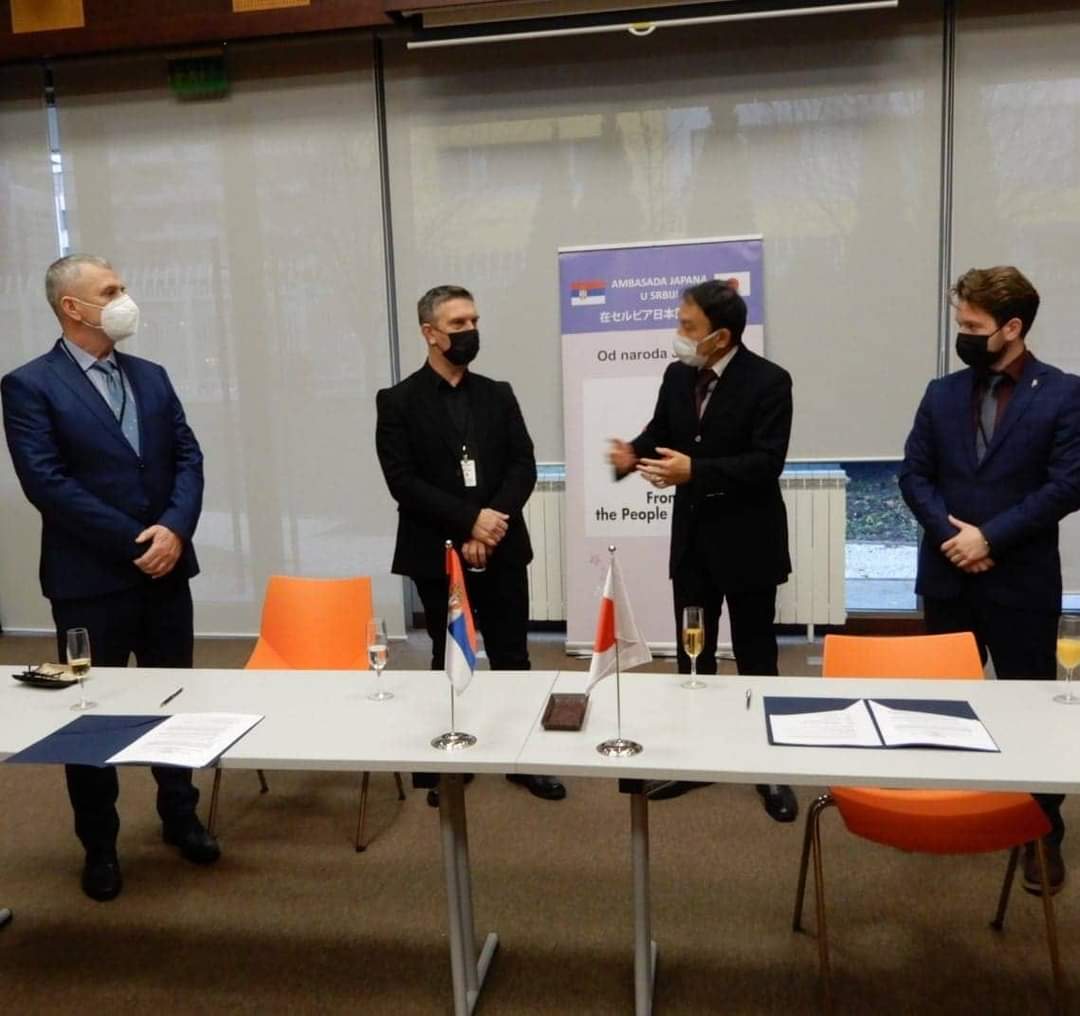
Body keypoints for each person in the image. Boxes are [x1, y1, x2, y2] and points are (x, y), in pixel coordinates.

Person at [1, 254, 219, 902]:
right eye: (111, 290)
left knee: (174, 702)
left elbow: (189, 457)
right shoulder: (29, 385)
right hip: (90, 583)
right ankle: (99, 846)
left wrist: (174, 530)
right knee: (92, 717)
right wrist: (136, 543)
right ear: (73, 307)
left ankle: (180, 816)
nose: (125, 298)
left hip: (167, 574)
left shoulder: (151, 376)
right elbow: (47, 484)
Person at [900, 265, 1080, 895]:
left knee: (1031, 706)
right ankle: (950, 808)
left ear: (1012, 327)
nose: (964, 335)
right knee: (942, 705)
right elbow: (913, 475)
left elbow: (1068, 485)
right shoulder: (940, 393)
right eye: (961, 323)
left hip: (1020, 580)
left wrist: (990, 537)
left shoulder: (1063, 394)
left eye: (974, 326)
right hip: (948, 575)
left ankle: (1042, 831)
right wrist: (955, 539)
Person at [609, 280, 798, 822]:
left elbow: (767, 462)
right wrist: (629, 456)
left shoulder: (769, 381)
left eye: (688, 326)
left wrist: (697, 471)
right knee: (694, 654)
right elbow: (660, 432)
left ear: (721, 337)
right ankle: (696, 756)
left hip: (750, 541)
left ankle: (768, 767)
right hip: (692, 542)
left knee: (756, 655)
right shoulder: (678, 375)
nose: (679, 334)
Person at [376, 285, 565, 804]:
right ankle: (452, 756)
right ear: (430, 333)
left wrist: (491, 523)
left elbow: (523, 464)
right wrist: (468, 524)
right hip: (436, 550)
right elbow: (403, 482)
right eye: (458, 324)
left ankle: (523, 757)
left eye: (474, 321)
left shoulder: (498, 393)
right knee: (450, 654)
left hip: (502, 545)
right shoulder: (398, 401)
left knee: (512, 654)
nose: (470, 332)